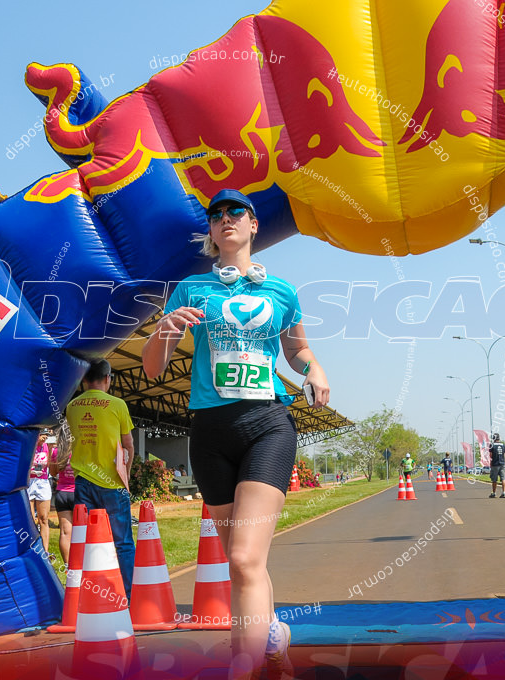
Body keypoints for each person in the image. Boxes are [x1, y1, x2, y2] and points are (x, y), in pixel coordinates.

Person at [142, 189, 329, 679]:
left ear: (252, 226)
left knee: (245, 558)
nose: (225, 219)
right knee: (242, 562)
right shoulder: (192, 289)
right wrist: (164, 329)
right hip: (210, 432)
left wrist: (315, 371)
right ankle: (274, 637)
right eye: (216, 215)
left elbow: (298, 352)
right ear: (211, 231)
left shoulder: (281, 292)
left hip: (266, 425)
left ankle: (242, 667)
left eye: (235, 212)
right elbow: (152, 371)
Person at [66, 359, 136, 597]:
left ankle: (92, 595)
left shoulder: (72, 406)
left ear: (83, 380)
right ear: (108, 379)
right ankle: (128, 595)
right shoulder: (117, 405)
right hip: (112, 483)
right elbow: (128, 445)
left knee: (87, 542)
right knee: (123, 543)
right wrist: (125, 475)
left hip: (83, 482)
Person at [28, 429, 58, 554]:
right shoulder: (30, 445)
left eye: (47, 436)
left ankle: (45, 552)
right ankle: (31, 549)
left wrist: (50, 450)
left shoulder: (48, 446)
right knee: (30, 519)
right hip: (29, 482)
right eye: (43, 435)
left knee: (44, 518)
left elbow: (51, 468)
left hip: (43, 482)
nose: (45, 438)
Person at [51, 422, 76, 565]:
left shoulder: (57, 452)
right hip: (77, 493)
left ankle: (68, 566)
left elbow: (53, 472)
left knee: (65, 533)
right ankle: (82, 564)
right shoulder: (79, 451)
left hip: (61, 493)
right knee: (82, 532)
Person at [489, 433, 505, 498]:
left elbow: (490, 455)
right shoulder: (503, 445)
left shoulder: (492, 445)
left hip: (495, 464)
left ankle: (494, 493)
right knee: (503, 478)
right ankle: (504, 492)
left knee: (494, 479)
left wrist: (491, 462)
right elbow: (504, 454)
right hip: (502, 463)